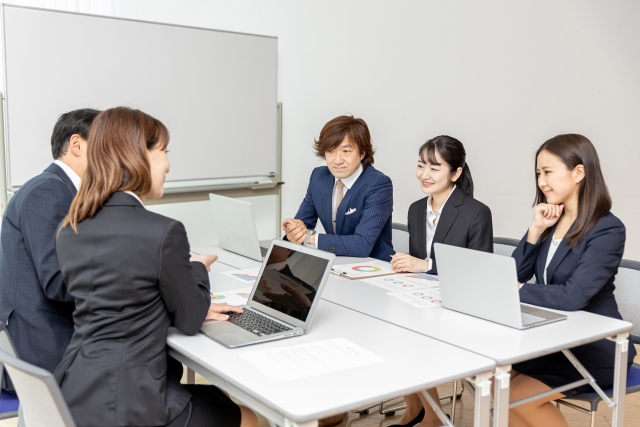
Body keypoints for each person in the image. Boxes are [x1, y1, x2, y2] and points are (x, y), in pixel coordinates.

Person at [54, 107, 258, 427]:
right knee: (249, 418)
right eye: (163, 151)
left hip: (75, 387)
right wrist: (196, 269)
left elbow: (122, 294)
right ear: (137, 156)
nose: (168, 165)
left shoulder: (71, 227)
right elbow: (190, 320)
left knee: (217, 397)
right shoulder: (162, 232)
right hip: (129, 400)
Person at [508, 134, 636, 427]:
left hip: (596, 348)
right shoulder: (550, 220)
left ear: (578, 173)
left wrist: (519, 290)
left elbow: (572, 295)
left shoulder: (607, 229)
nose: (541, 181)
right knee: (494, 379)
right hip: (554, 339)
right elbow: (512, 276)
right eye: (538, 173)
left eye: (548, 172)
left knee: (515, 396)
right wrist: (535, 230)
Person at [390, 135, 493, 427]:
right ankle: (416, 409)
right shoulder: (415, 209)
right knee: (393, 327)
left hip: (459, 308)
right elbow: (416, 269)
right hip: (424, 301)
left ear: (456, 173)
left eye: (435, 168)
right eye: (421, 165)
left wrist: (426, 265)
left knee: (409, 336)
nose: (425, 174)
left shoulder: (476, 213)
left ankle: (433, 416)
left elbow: (479, 272)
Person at [0, 108, 100, 390]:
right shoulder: (49, 192)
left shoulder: (58, 189)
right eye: (107, 145)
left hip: (47, 335)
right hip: (44, 347)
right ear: (77, 144)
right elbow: (58, 282)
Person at [282, 115, 394, 262]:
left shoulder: (378, 184)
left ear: (362, 153)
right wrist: (293, 231)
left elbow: (362, 245)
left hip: (374, 266)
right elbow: (302, 226)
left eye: (346, 151)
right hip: (337, 264)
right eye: (331, 151)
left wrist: (309, 237)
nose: (337, 160)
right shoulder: (318, 177)